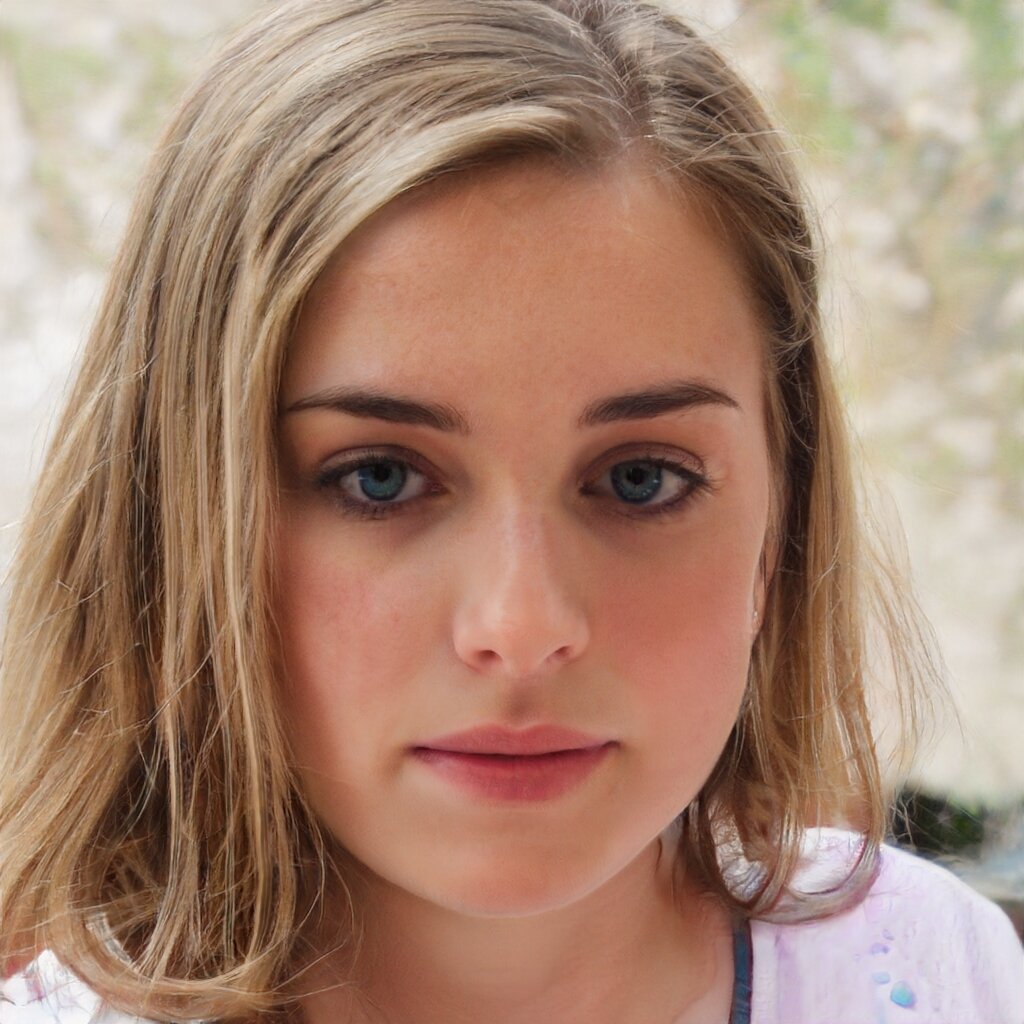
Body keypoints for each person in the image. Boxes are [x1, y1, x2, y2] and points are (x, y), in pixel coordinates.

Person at [0, 1, 1020, 1022]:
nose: (523, 625)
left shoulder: (937, 974)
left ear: (777, 525)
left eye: (641, 478)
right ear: (175, 519)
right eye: (378, 478)